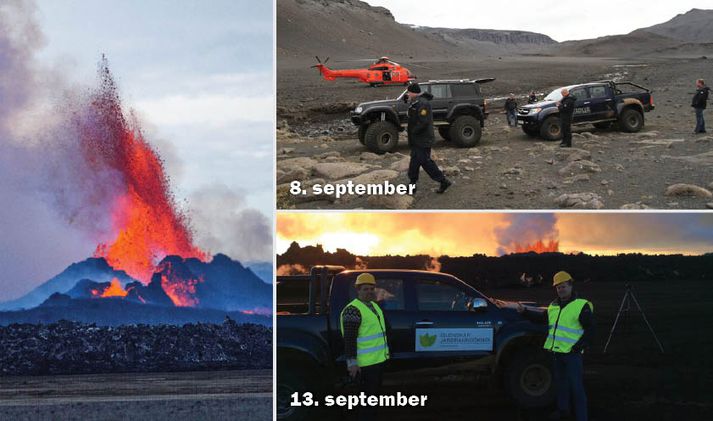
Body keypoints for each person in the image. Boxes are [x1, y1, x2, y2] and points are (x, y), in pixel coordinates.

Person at [497, 271, 594, 421]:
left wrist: (578, 347)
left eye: (563, 286)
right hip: (557, 353)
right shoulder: (554, 306)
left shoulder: (581, 306)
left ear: (570, 285)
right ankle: (563, 412)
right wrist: (524, 312)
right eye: (558, 288)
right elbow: (542, 319)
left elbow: (591, 330)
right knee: (561, 384)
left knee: (576, 387)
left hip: (572, 355)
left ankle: (582, 417)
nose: (561, 290)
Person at [340, 273, 390, 421]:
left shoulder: (373, 306)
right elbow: (349, 339)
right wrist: (352, 363)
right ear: (358, 290)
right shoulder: (352, 310)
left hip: (376, 362)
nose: (369, 291)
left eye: (371, 288)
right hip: (364, 365)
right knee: (367, 401)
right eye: (365, 289)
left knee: (373, 398)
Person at [406, 82, 452, 194]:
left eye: (409, 92)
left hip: (423, 138)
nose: (407, 94)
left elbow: (424, 122)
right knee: (414, 162)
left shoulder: (423, 104)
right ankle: (412, 185)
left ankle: (443, 181)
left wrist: (413, 131)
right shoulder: (416, 102)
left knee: (425, 162)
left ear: (413, 92)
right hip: (417, 139)